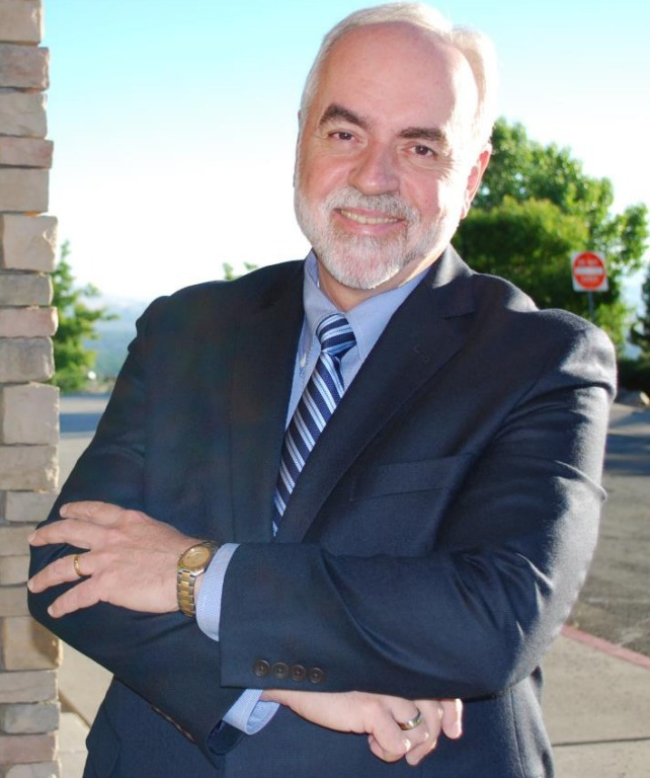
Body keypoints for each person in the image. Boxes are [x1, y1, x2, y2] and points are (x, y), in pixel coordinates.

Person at [28, 3, 615, 776]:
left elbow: (492, 618)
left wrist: (193, 574)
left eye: (420, 147)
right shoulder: (186, 328)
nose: (374, 177)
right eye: (346, 133)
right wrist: (285, 686)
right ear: (301, 138)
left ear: (470, 176)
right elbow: (68, 566)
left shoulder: (543, 360)